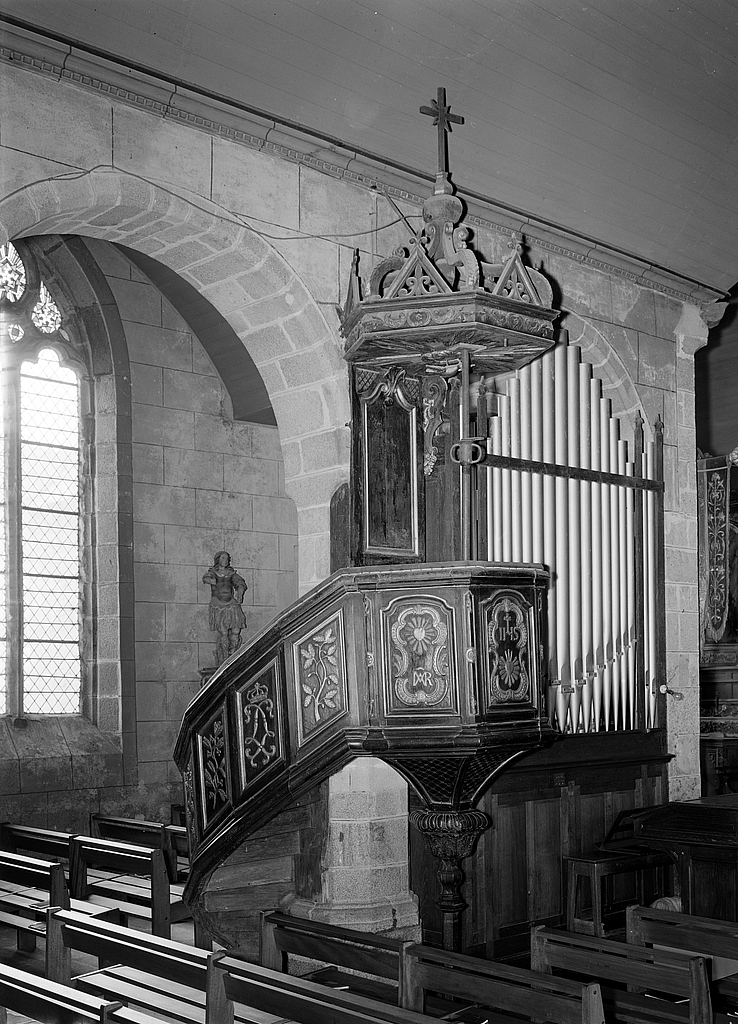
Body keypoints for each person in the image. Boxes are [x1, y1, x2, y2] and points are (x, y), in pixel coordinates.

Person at [202, 551, 247, 665]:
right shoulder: (213, 572)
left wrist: (240, 593)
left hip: (231, 603)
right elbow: (206, 578)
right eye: (223, 558)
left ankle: (233, 653)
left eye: (227, 558)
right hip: (218, 604)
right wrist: (210, 580)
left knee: (236, 630)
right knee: (224, 632)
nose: (225, 560)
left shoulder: (231, 574)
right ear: (218, 560)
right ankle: (224, 657)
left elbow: (240, 583)